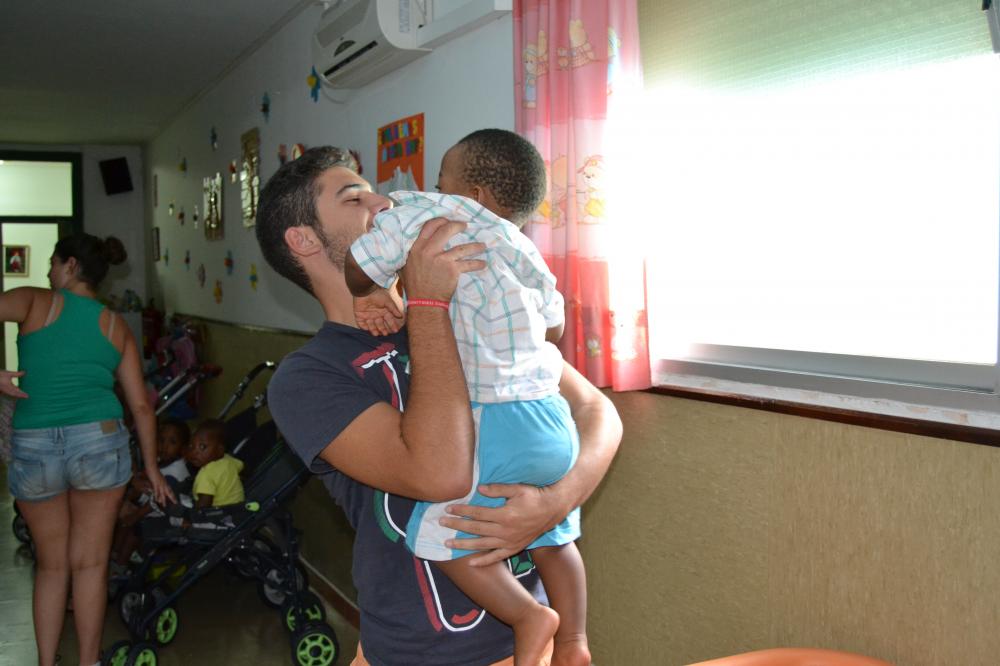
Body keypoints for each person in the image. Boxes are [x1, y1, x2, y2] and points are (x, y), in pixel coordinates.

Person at [256, 144, 622, 666]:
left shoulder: (476, 314)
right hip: (421, 651)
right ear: (303, 240)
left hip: (532, 646)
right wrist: (427, 303)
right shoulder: (307, 378)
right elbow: (438, 476)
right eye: (354, 197)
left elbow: (597, 413)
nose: (382, 202)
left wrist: (556, 501)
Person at [344, 129, 589, 665]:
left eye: (442, 179)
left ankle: (529, 616)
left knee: (442, 538)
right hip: (550, 416)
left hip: (493, 414)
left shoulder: (432, 214)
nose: (435, 187)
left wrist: (365, 286)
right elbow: (554, 322)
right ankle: (574, 639)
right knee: (554, 537)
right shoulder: (522, 244)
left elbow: (363, 264)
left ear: (470, 195)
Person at [0, 233, 173, 666]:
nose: (47, 272)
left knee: (52, 565)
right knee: (91, 566)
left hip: (35, 442)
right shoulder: (116, 327)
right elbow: (140, 407)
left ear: (71, 266)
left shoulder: (33, 301)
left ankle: (46, 663)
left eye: (53, 264)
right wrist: (151, 468)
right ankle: (89, 662)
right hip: (99, 439)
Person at [111, 418, 191, 567]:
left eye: (172, 442)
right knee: (124, 519)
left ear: (183, 449)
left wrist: (136, 515)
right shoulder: (165, 461)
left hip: (170, 515)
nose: (164, 446)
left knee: (134, 527)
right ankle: (115, 554)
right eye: (161, 440)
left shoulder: (177, 472)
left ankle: (120, 565)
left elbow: (160, 500)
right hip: (157, 506)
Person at [186, 418, 244, 508]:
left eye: (202, 446)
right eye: (191, 446)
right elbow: (241, 468)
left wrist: (192, 516)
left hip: (218, 515)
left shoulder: (206, 474)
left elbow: (204, 505)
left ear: (220, 450)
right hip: (238, 509)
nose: (194, 452)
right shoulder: (229, 460)